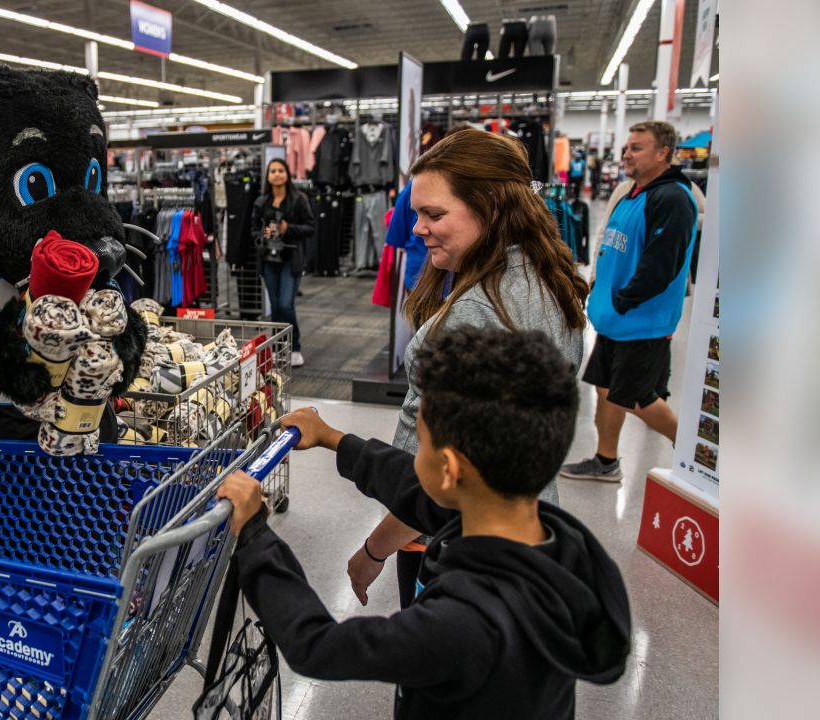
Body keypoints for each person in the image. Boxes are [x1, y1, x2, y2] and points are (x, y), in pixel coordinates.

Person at [216, 327, 631, 719]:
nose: (416, 453)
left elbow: (318, 647)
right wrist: (332, 438)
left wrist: (256, 535)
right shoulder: (553, 540)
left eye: (422, 440)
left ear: (450, 469)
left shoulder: (462, 624)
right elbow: (416, 489)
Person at [351, 128, 590, 610]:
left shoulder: (476, 314)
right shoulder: (547, 279)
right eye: (418, 212)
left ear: (492, 208)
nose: (417, 228)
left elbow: (441, 478)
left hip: (454, 549)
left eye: (434, 214)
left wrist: (375, 549)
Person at [560, 121, 699, 482]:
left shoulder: (672, 198)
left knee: (638, 397)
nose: (626, 154)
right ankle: (606, 461)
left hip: (641, 320)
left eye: (636, 147)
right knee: (605, 388)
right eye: (626, 147)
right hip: (615, 320)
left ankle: (699, 456)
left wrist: (624, 300)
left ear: (662, 153)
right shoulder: (632, 194)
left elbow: (662, 265)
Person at [251, 157, 314, 368]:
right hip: (269, 260)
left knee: (287, 305)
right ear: (268, 176)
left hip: (291, 260)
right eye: (273, 171)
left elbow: (310, 227)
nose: (277, 174)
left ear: (287, 173)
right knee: (276, 307)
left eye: (280, 170)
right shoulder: (261, 202)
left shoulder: (299, 199)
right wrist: (264, 233)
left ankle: (294, 346)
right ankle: (279, 348)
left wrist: (289, 229)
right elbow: (252, 232)